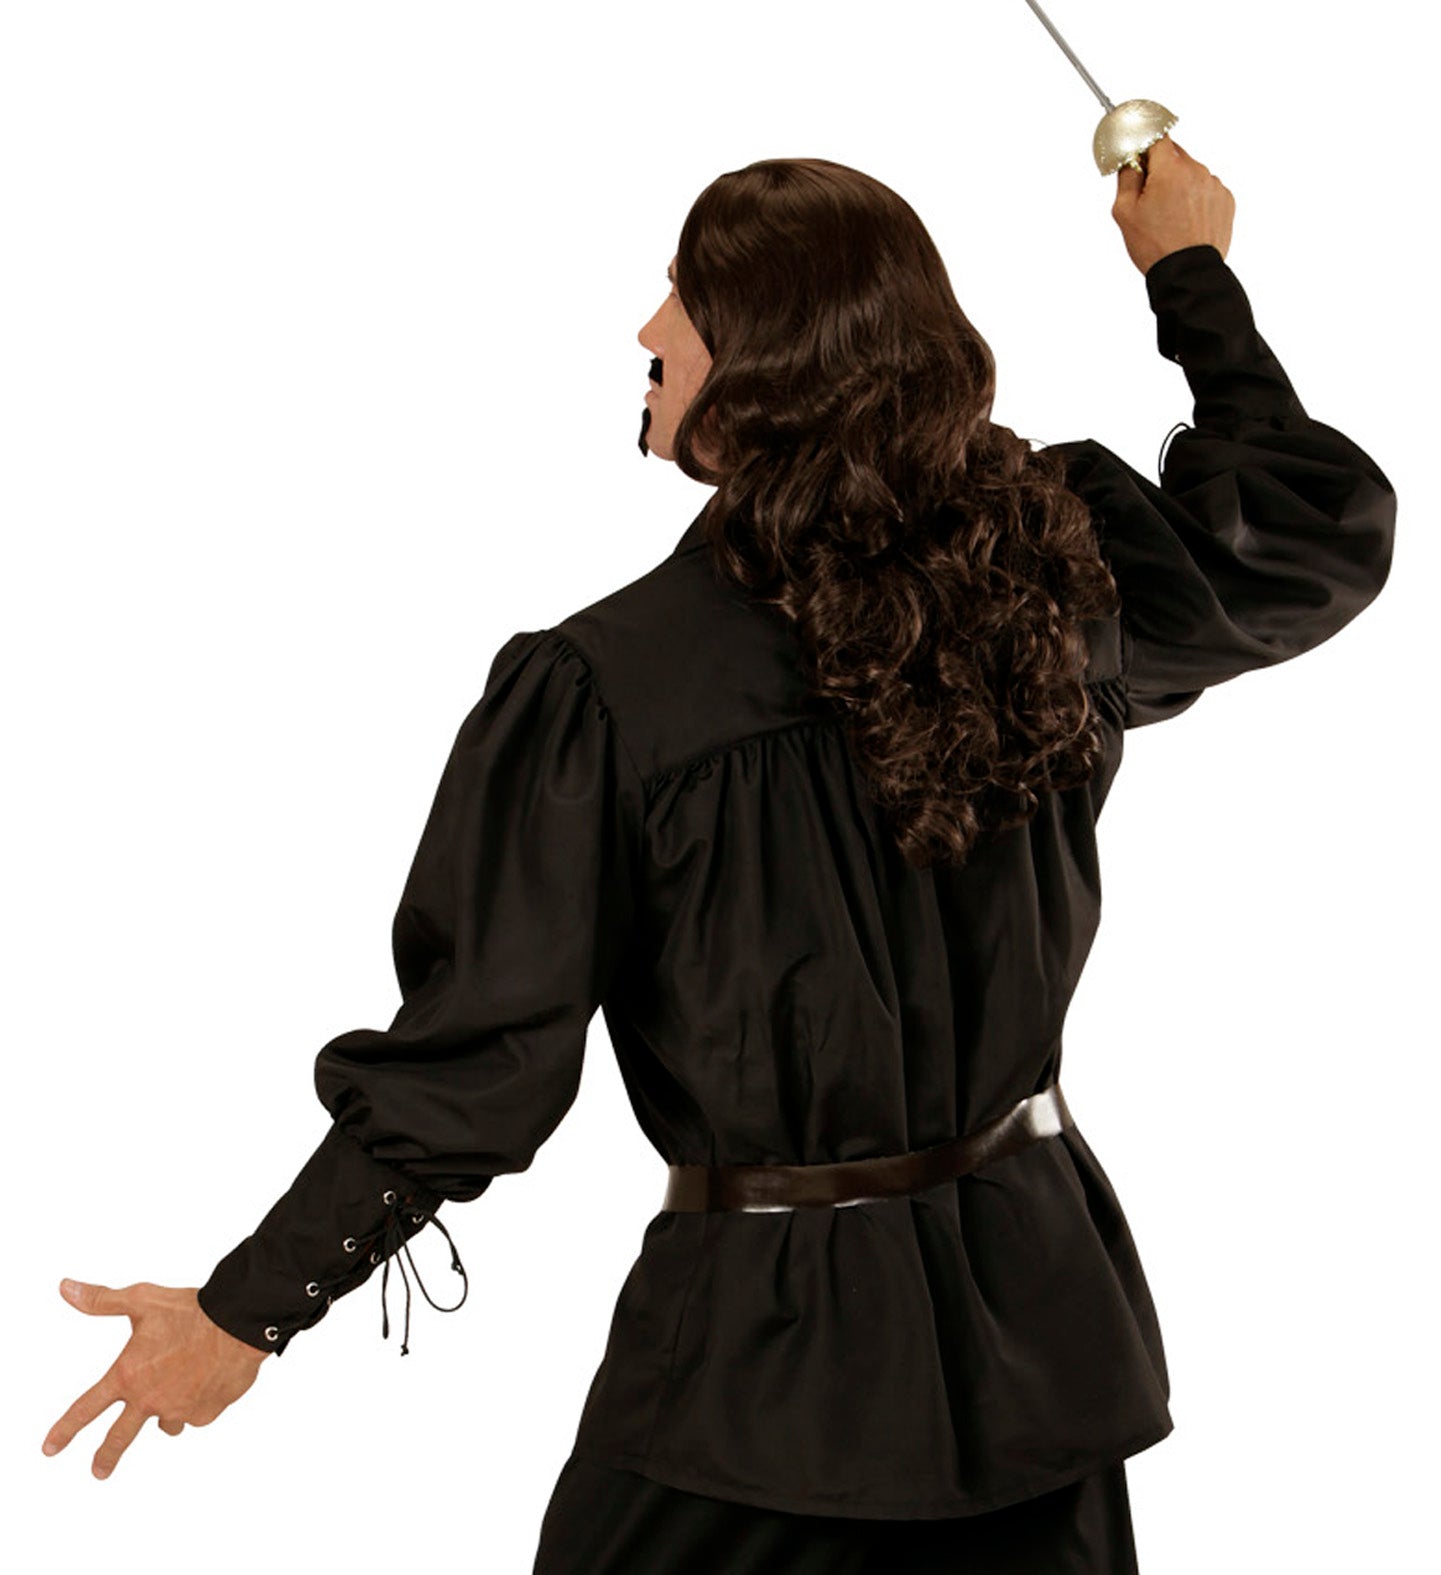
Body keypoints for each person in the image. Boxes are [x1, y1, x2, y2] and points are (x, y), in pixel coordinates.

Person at [43, 139, 1396, 1574]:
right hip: (1038, 1353)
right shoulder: (1042, 585)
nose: (649, 330)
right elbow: (1307, 535)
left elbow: (474, 1071)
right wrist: (1188, 272)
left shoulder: (606, 689)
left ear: (767, 358)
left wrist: (243, 1314)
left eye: (684, 297)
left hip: (766, 1388)